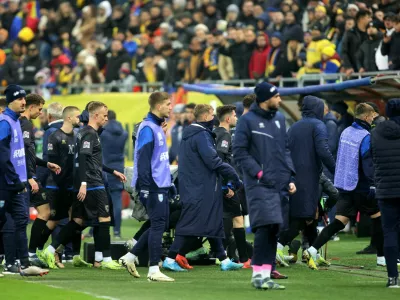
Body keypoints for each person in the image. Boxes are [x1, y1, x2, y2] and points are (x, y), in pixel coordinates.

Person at [41, 101, 126, 270]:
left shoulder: (84, 133)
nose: (106, 119)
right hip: (92, 183)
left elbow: (91, 160)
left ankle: (50, 250)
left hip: (85, 182)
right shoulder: (89, 134)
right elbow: (83, 159)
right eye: (104, 115)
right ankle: (106, 258)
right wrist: (85, 183)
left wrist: (111, 171)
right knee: (104, 218)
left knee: (78, 221)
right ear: (95, 116)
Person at [161, 104, 243, 273]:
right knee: (189, 224)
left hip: (197, 186)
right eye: (212, 114)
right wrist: (233, 175)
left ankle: (224, 259)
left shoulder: (192, 133)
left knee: (212, 221)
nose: (214, 117)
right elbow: (213, 161)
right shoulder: (201, 135)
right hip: (199, 187)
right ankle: (170, 258)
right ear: (205, 117)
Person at [303, 103, 385, 270]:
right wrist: (372, 185)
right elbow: (367, 164)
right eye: (372, 116)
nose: (373, 119)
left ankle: (311, 250)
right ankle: (381, 257)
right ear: (367, 117)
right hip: (361, 186)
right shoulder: (365, 136)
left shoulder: (346, 132)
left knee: (339, 222)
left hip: (345, 186)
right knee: (379, 218)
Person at [233, 82, 296, 290]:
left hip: (279, 182)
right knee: (264, 226)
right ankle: (258, 275)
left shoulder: (279, 119)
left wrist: (289, 177)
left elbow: (284, 150)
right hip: (258, 183)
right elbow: (239, 152)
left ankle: (265, 274)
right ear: (264, 99)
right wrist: (259, 173)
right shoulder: (246, 121)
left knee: (275, 229)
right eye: (276, 96)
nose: (280, 99)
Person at [120, 92, 175, 282]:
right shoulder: (148, 129)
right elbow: (143, 161)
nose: (171, 107)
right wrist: (144, 188)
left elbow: (158, 160)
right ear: (158, 106)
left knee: (159, 224)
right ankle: (153, 269)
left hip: (160, 185)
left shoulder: (157, 127)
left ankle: (130, 256)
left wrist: (169, 184)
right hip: (151, 186)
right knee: (158, 224)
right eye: (168, 104)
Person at [277, 96, 335, 268]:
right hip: (308, 177)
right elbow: (323, 151)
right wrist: (336, 170)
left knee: (309, 215)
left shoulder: (294, 126)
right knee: (305, 216)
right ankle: (279, 247)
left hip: (294, 175)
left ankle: (312, 252)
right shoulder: (318, 125)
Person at [0, 85, 48, 276]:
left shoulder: (15, 121)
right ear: (11, 100)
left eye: (24, 100)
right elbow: (3, 156)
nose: (23, 102)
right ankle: (14, 262)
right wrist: (15, 180)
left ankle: (22, 263)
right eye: (20, 99)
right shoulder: (4, 122)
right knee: (9, 222)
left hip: (18, 183)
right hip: (7, 183)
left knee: (20, 221)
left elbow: (18, 156)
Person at [38, 106, 92, 269]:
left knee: (76, 219)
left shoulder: (78, 135)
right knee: (54, 220)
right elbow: (51, 163)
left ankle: (71, 254)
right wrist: (60, 183)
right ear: (68, 118)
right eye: (77, 116)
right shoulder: (55, 135)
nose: (80, 119)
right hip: (57, 186)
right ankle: (38, 251)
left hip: (72, 185)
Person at [19, 94, 60, 267]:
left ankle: (26, 253)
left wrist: (45, 163)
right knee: (19, 217)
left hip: (27, 175)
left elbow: (28, 154)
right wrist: (30, 177)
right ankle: (21, 254)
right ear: (31, 107)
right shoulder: (25, 124)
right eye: (40, 109)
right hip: (25, 177)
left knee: (44, 212)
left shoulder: (22, 123)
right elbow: (21, 154)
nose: (41, 113)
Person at [215, 105, 250, 268]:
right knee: (237, 219)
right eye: (235, 116)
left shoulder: (215, 133)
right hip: (226, 185)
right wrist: (226, 186)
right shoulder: (224, 135)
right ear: (228, 119)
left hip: (221, 184)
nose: (237, 118)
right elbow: (220, 160)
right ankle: (243, 259)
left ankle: (226, 256)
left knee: (228, 219)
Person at [371, 99, 400, 288]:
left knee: (389, 232)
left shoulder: (374, 133)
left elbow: (370, 158)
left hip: (385, 189)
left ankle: (392, 278)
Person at [100, 110, 128, 238]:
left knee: (101, 201)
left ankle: (96, 229)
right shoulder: (124, 133)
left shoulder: (103, 133)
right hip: (119, 168)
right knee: (117, 201)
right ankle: (117, 231)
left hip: (106, 168)